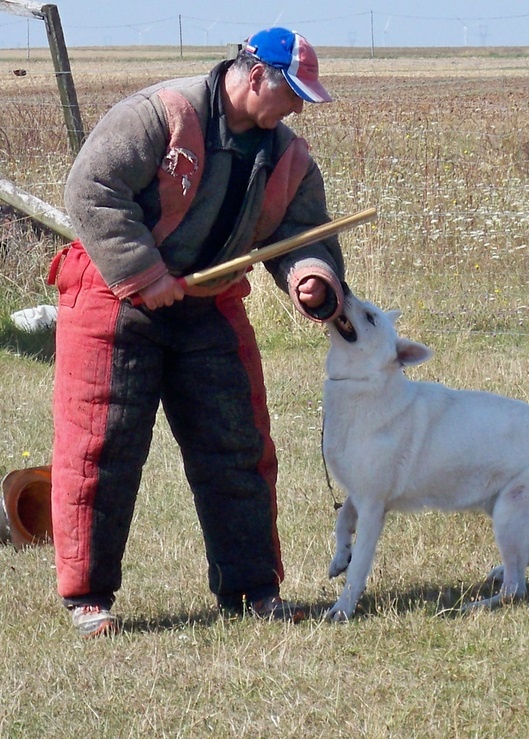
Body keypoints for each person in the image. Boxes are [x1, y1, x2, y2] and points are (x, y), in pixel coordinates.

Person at [49, 27, 346, 637]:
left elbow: (304, 233)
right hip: (114, 296)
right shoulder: (159, 114)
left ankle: (251, 590)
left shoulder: (288, 157)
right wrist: (144, 271)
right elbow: (90, 190)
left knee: (238, 448)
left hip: (208, 304)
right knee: (100, 450)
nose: (293, 107)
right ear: (255, 74)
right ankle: (88, 598)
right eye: (290, 92)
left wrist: (312, 279)